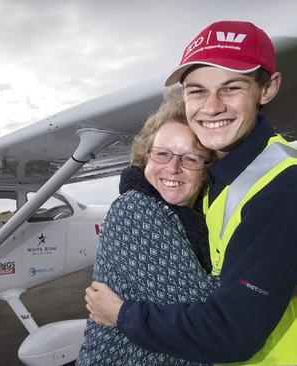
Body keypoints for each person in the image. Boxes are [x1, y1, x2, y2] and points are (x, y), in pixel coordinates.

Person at [85, 21, 297, 365]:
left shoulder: (280, 187)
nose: (211, 107)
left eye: (231, 88)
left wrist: (121, 313)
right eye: (197, 90)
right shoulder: (215, 183)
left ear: (267, 89)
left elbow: (229, 330)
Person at [76, 97, 219, 365]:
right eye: (162, 153)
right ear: (146, 156)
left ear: (206, 166)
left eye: (190, 158)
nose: (173, 168)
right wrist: (270, 279)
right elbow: (207, 311)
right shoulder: (136, 208)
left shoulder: (200, 214)